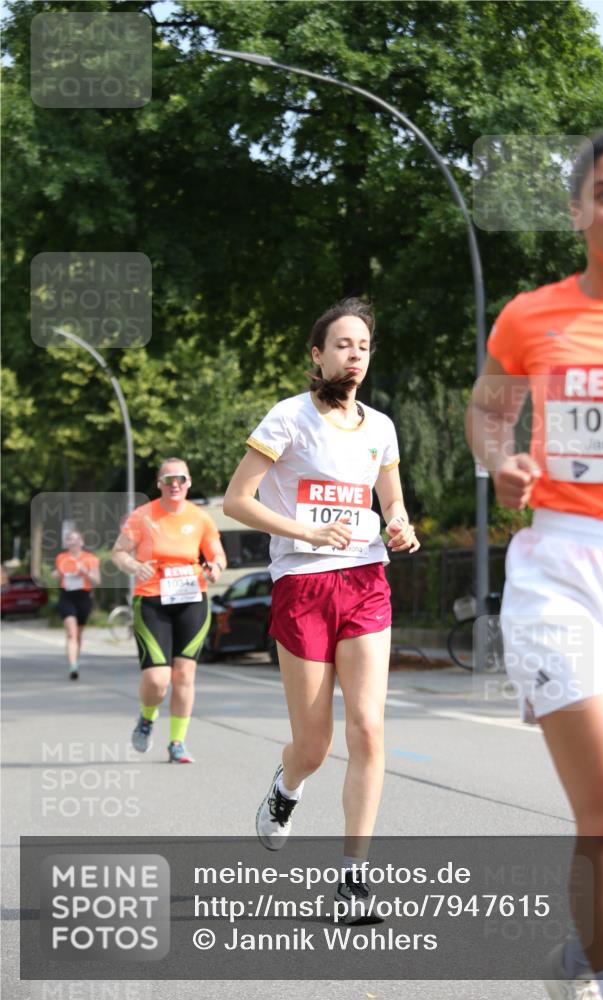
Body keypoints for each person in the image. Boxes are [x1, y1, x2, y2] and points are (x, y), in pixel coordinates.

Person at [466, 131, 603, 1000]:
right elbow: (486, 411)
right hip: (562, 569)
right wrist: (498, 460)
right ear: (577, 209)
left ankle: (580, 956)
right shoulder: (530, 314)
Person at [223, 297, 420, 921]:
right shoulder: (288, 418)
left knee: (368, 727)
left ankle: (353, 878)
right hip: (303, 585)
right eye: (342, 344)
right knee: (313, 742)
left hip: (365, 581)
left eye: (362, 345)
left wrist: (399, 526)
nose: (353, 354)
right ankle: (287, 789)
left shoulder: (381, 428)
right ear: (317, 353)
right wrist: (305, 534)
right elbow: (236, 500)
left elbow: (391, 501)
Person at [112, 458, 226, 763]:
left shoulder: (201, 518)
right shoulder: (142, 516)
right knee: (157, 680)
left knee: (185, 674)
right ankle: (147, 718)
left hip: (191, 598)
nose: (174, 484)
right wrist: (135, 565)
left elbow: (217, 555)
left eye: (181, 479)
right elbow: (118, 552)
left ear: (189, 482)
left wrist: (214, 568)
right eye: (168, 479)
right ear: (159, 484)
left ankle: (177, 742)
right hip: (151, 600)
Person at [51, 530, 100, 680]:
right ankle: (73, 667)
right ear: (67, 543)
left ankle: (75, 660)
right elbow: (55, 575)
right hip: (67, 596)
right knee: (71, 633)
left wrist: (85, 572)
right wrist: (59, 573)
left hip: (83, 597)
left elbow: (97, 581)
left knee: (78, 634)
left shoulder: (90, 559)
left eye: (76, 539)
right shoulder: (62, 558)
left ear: (82, 542)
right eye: (70, 540)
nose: (74, 542)